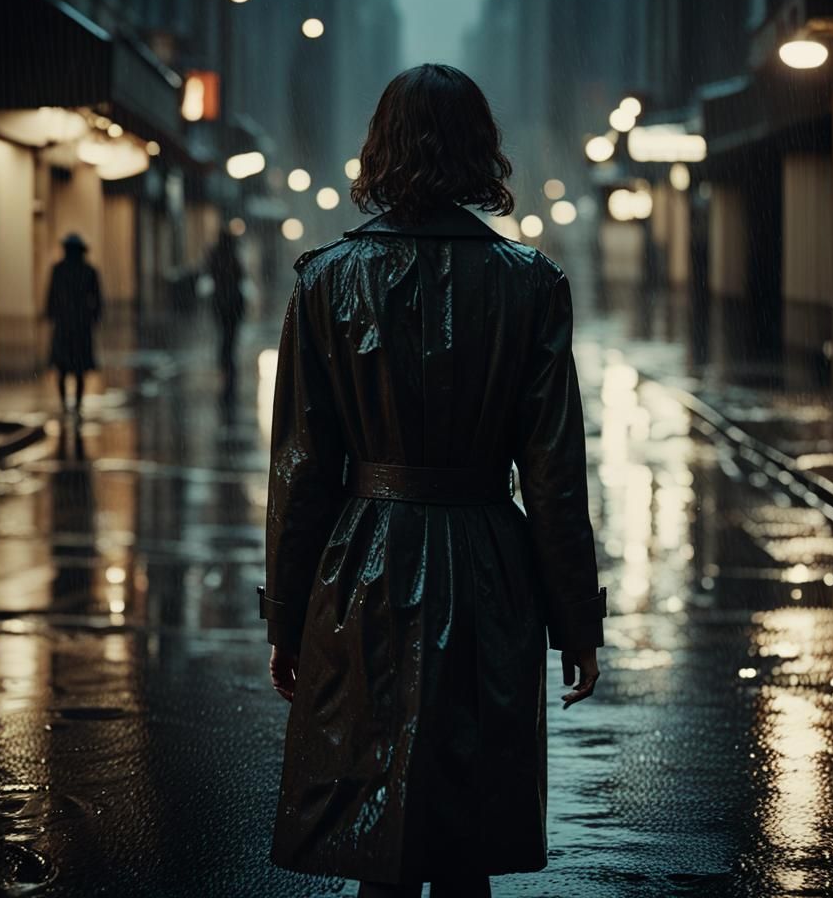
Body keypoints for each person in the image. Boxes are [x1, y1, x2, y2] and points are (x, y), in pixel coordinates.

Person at [259, 64, 607, 897]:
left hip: (364, 566)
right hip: (489, 562)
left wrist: (286, 615)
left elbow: (302, 468)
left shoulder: (327, 279)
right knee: (467, 822)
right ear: (480, 151)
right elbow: (555, 471)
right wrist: (577, 623)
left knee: (374, 813)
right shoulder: (532, 283)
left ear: (380, 149)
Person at [45, 232, 102, 416]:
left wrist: (51, 313)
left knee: (65, 368)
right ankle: (75, 405)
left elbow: (51, 295)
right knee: (77, 369)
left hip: (66, 323)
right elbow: (97, 299)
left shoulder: (60, 270)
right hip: (79, 324)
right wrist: (94, 316)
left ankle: (68, 405)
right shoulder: (88, 271)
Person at [206, 225, 246, 405]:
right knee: (230, 333)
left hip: (221, 302)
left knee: (224, 332)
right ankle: (228, 359)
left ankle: (225, 359)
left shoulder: (215, 255)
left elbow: (211, 274)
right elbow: (240, 276)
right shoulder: (232, 255)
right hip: (232, 302)